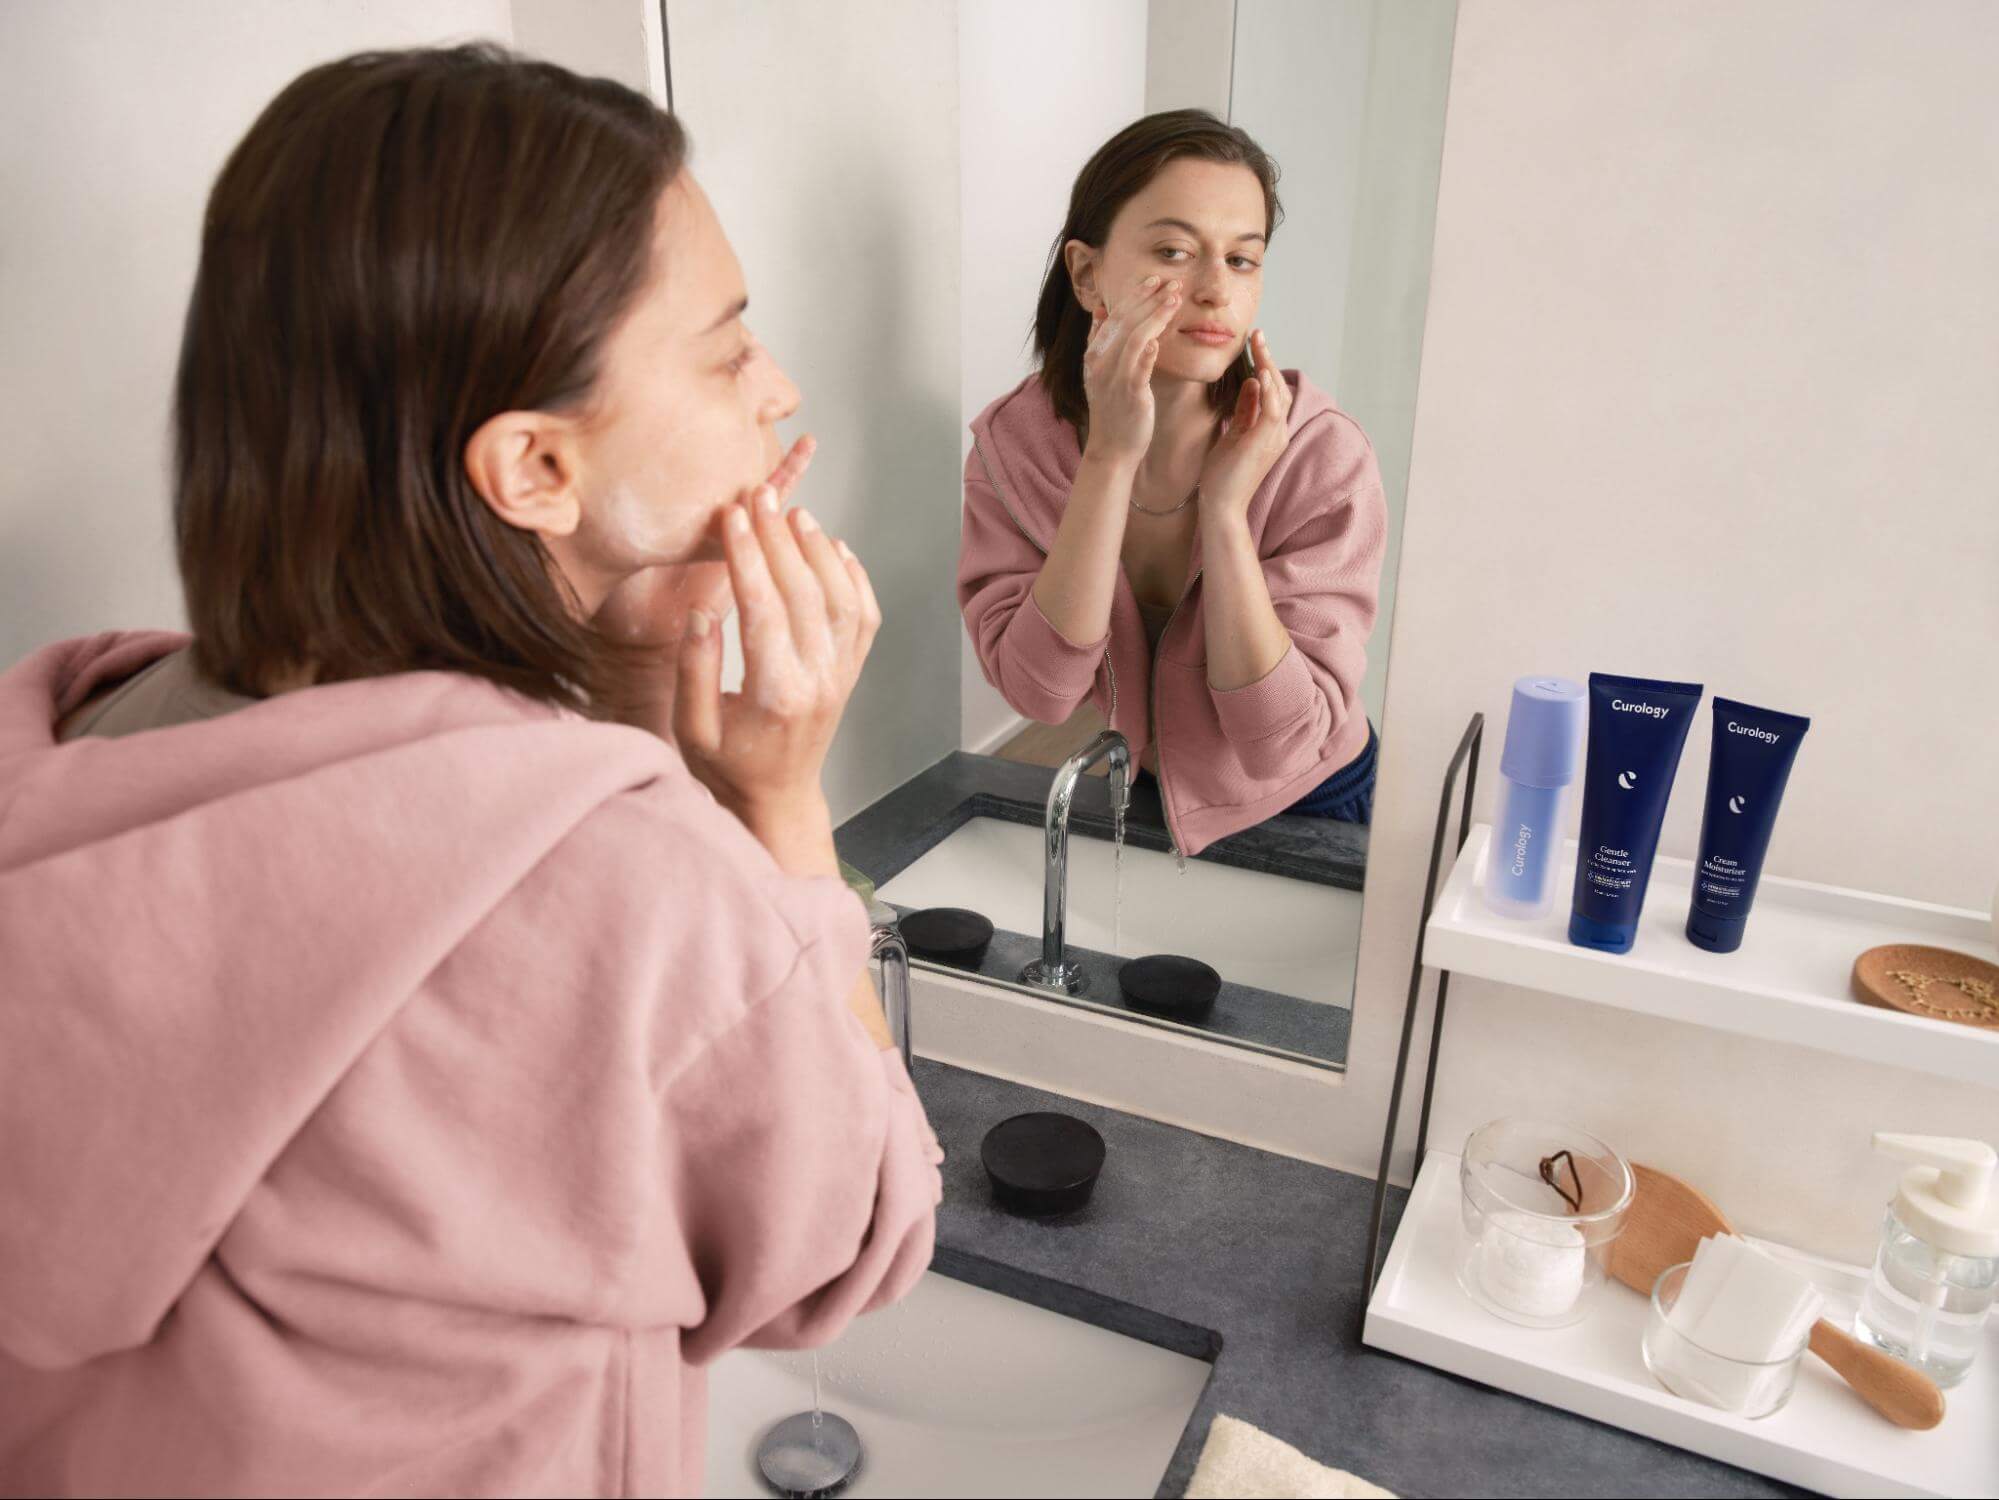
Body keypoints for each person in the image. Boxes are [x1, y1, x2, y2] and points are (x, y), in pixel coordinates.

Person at [0, 45, 940, 1498]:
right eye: (726, 343)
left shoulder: (86, 725)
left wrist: (618, 675)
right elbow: (854, 1236)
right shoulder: (633, 894)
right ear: (533, 473)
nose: (780, 385)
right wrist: (780, 800)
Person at [958, 110, 1387, 857]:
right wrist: (1107, 462)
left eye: (1241, 260)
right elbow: (1041, 693)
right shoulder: (1015, 447)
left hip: (1315, 798)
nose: (1214, 290)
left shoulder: (1322, 457)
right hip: (1145, 789)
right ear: (1087, 274)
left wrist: (1224, 513)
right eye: (1174, 251)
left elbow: (1276, 748)